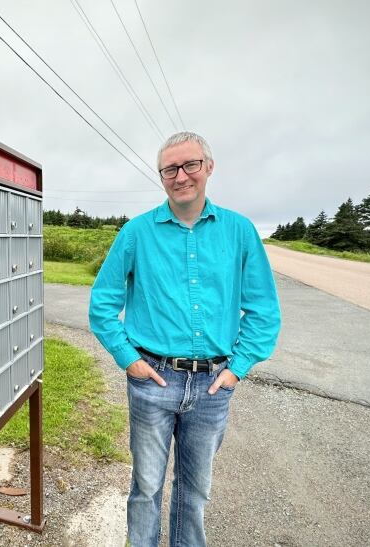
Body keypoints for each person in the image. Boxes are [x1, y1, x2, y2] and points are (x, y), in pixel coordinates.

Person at [88, 131, 281, 546]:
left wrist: (237, 369)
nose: (181, 176)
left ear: (208, 167)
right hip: (151, 379)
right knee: (146, 488)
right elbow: (102, 302)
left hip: (213, 385)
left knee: (194, 493)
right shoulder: (137, 233)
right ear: (161, 176)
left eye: (190, 164)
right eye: (170, 169)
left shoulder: (240, 231)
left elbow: (264, 311)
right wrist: (128, 358)